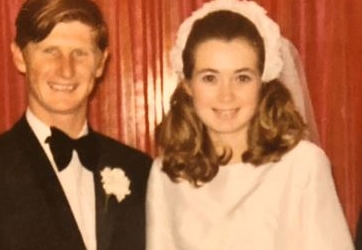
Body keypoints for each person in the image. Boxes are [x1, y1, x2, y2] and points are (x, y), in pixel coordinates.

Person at [0, 0, 151, 249]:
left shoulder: (141, 171)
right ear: (19, 57)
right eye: (50, 51)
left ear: (101, 63)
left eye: (80, 53)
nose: (66, 70)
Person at [146, 0, 354, 249]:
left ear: (262, 84)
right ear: (188, 85)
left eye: (242, 78)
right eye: (210, 78)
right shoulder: (167, 173)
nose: (226, 95)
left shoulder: (303, 165)